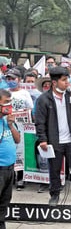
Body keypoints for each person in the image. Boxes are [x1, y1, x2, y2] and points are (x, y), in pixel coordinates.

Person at [35, 66, 71, 208]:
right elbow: (39, 122)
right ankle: (54, 195)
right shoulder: (44, 99)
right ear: (54, 82)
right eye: (64, 80)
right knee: (55, 170)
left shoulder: (70, 95)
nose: (67, 83)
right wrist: (43, 140)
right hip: (54, 141)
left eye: (68, 80)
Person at [0, 89, 21, 229]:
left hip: (9, 167)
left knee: (4, 201)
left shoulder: (8, 120)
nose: (9, 105)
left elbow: (17, 139)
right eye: (6, 102)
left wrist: (11, 125)